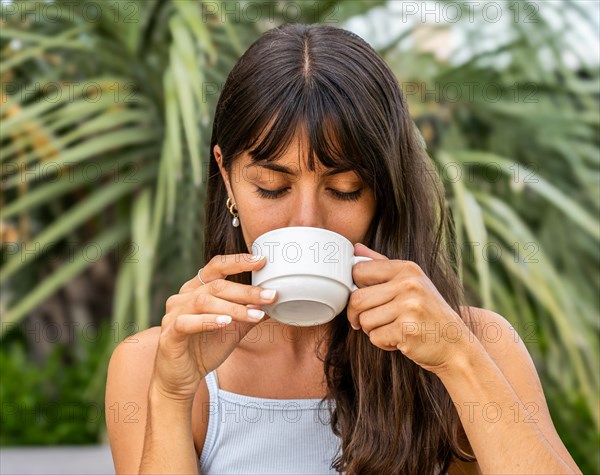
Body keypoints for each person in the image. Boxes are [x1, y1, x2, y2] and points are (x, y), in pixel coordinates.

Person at [105, 23, 582, 475]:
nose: (307, 221)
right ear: (226, 175)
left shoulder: (476, 343)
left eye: (346, 189)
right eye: (272, 187)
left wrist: (458, 359)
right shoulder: (155, 364)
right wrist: (171, 394)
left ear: (384, 191)